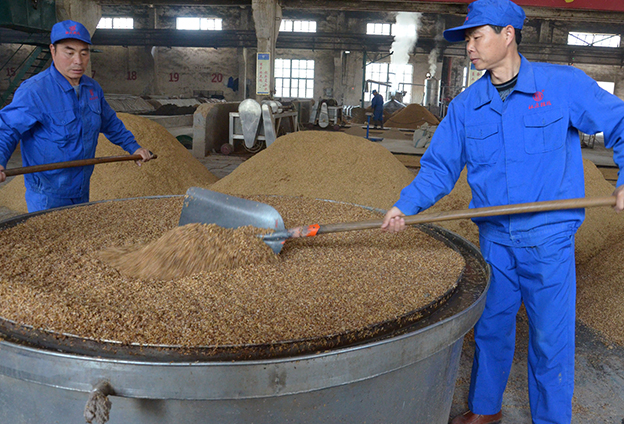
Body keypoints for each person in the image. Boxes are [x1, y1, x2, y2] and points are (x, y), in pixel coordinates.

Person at [380, 0, 624, 423]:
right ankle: (485, 410)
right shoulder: (465, 107)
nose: (470, 47)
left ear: (507, 34)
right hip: (495, 240)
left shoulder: (560, 86)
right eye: (468, 40)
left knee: (550, 340)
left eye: (477, 37)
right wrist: (405, 205)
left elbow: (619, 120)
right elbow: (438, 169)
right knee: (491, 328)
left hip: (548, 240)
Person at [0, 20, 152, 212]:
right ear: (53, 51)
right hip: (47, 195)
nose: (78, 61)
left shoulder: (92, 88)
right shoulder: (35, 90)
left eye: (84, 52)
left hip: (81, 189)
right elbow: (7, 129)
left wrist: (134, 147)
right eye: (69, 52)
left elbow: (111, 123)